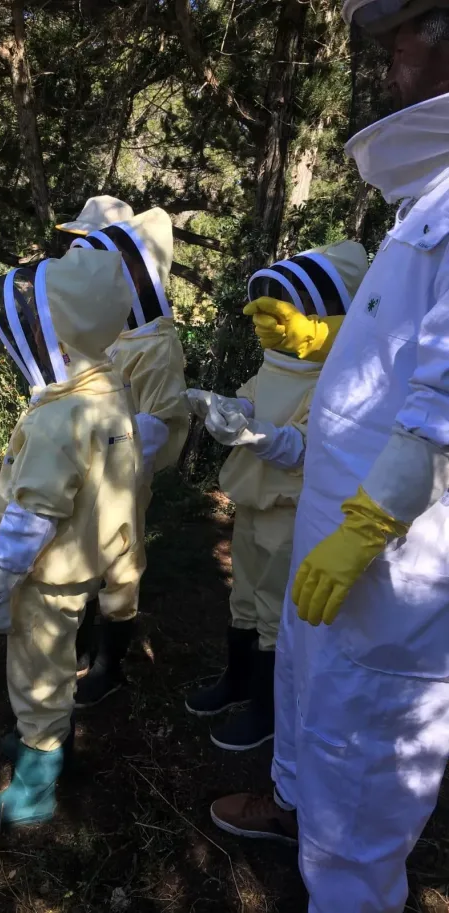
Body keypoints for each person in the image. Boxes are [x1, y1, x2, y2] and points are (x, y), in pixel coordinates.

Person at [210, 6, 449, 911]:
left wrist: (374, 516)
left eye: (413, 29)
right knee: (312, 684)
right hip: (336, 516)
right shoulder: (427, 194)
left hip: (396, 548)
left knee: (366, 731)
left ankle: (349, 887)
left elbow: (442, 399)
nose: (392, 55)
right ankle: (291, 809)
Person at [0, 247, 143, 831]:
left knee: (37, 671)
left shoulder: (58, 419)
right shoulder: (109, 389)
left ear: (57, 338)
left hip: (46, 572)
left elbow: (30, 519)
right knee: (59, 660)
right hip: (89, 563)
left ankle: (36, 785)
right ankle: (45, 745)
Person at [184, 242, 368, 752]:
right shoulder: (276, 365)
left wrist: (252, 433)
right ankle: (237, 682)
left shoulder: (341, 379)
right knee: (244, 596)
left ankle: (267, 712)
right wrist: (224, 406)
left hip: (294, 511)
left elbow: (307, 449)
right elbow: (252, 395)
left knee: (274, 611)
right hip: (254, 505)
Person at [66, 208, 190, 707]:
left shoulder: (156, 344)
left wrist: (113, 447)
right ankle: (79, 640)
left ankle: (109, 663)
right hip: (83, 466)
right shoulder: (107, 329)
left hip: (124, 476)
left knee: (119, 561)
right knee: (78, 551)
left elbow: (162, 421)